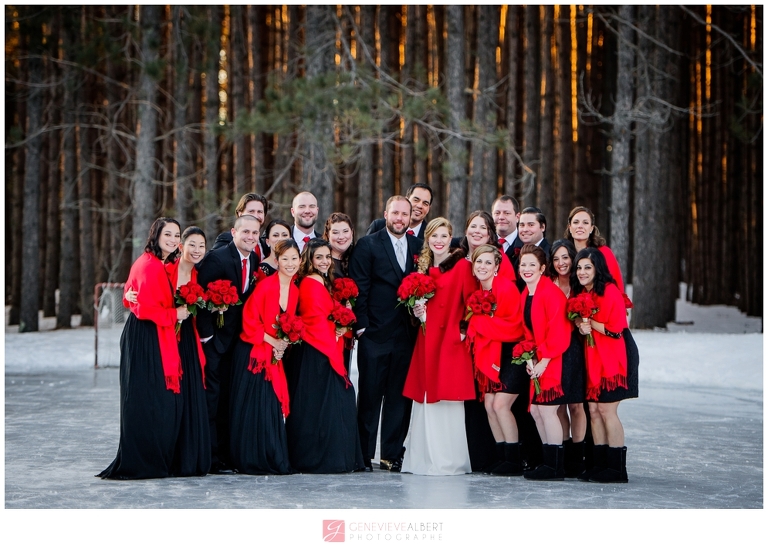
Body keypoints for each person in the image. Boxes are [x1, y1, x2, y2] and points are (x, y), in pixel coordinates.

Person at [98, 218, 187, 479]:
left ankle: (152, 457)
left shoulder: (157, 262)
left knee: (152, 399)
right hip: (147, 336)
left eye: (176, 235)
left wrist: (128, 295)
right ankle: (145, 460)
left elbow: (130, 290)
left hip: (149, 334)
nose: (172, 239)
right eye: (167, 234)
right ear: (156, 235)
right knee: (148, 400)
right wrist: (176, 313)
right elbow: (146, 308)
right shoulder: (150, 265)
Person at [349, 195, 423, 472]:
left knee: (398, 398)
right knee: (369, 396)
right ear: (386, 213)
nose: (400, 218)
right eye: (395, 213)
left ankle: (391, 455)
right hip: (375, 334)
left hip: (406, 335)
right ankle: (364, 454)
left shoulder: (418, 246)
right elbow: (360, 288)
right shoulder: (368, 245)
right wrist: (363, 326)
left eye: (405, 214)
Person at [401, 217, 476, 475]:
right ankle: (423, 459)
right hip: (426, 339)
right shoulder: (422, 267)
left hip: (450, 341)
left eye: (444, 236)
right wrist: (417, 310)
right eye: (434, 236)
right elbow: (417, 303)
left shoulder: (462, 267)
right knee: (425, 396)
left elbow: (473, 302)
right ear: (427, 239)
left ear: (451, 238)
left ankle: (447, 460)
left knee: (447, 396)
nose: (439, 241)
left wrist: (462, 331)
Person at [284, 239, 365, 473]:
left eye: (327, 257)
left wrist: (341, 324)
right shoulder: (311, 282)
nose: (324, 261)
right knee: (323, 404)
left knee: (325, 405)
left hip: (321, 346)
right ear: (309, 259)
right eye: (318, 257)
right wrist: (336, 331)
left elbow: (327, 316)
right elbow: (315, 321)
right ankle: (321, 458)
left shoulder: (322, 281)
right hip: (316, 351)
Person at [196, 214, 261, 474]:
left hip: (238, 343)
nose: (250, 237)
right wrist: (207, 336)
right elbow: (200, 296)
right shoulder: (218, 257)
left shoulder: (253, 258)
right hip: (215, 343)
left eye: (255, 233)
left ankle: (226, 454)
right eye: (245, 232)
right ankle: (211, 458)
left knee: (228, 400)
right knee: (212, 399)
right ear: (234, 232)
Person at [229, 239, 301, 475]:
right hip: (253, 352)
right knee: (257, 406)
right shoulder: (266, 286)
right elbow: (249, 323)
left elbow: (287, 325)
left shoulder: (295, 290)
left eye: (294, 259)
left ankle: (270, 455)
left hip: (273, 352)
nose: (290, 264)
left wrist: (283, 345)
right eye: (285, 259)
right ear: (277, 261)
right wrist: (274, 343)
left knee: (271, 407)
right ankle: (252, 459)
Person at [573, 247, 639, 483]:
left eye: (587, 267)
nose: (582, 271)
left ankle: (617, 469)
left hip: (614, 357)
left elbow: (616, 329)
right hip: (594, 357)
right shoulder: (583, 293)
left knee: (606, 410)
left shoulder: (610, 291)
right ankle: (599, 464)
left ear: (598, 268)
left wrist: (590, 322)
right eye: (579, 267)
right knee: (593, 410)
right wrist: (581, 323)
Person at [465, 244, 528, 476]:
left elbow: (514, 328)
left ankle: (514, 459)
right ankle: (502, 456)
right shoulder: (478, 294)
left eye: (488, 262)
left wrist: (478, 323)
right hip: (493, 353)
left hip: (513, 355)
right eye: (479, 261)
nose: (483, 266)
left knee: (501, 405)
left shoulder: (506, 288)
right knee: (490, 405)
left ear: (497, 267)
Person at [518, 244, 572, 480]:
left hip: (553, 359)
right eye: (523, 265)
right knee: (537, 412)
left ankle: (556, 466)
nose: (526, 269)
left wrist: (545, 361)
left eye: (532, 265)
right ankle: (548, 460)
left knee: (548, 411)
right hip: (536, 360)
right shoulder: (526, 293)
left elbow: (559, 332)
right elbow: (526, 330)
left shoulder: (552, 293)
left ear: (542, 268)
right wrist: (529, 357)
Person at [164, 226, 211, 476]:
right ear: (181, 246)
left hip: (188, 342)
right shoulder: (166, 270)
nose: (197, 250)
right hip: (166, 339)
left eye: (201, 245)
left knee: (191, 394)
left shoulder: (200, 275)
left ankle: (190, 457)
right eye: (192, 244)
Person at [548, 238, 589, 478]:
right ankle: (562, 454)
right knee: (560, 404)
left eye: (565, 257)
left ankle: (578, 455)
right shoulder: (547, 284)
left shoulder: (580, 284)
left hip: (576, 348)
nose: (561, 263)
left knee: (576, 404)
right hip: (555, 348)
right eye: (556, 258)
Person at [565, 206, 627, 295]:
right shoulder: (564, 255)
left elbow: (616, 285)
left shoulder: (604, 253)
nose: (580, 226)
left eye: (585, 223)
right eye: (576, 222)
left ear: (591, 228)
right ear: (570, 227)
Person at [459, 210, 515, 282]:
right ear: (466, 231)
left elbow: (509, 289)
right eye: (473, 226)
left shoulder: (500, 259)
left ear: (490, 234)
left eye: (483, 227)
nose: (477, 231)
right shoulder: (456, 259)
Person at [366, 184, 433, 239]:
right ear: (406, 200)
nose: (420, 206)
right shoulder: (378, 226)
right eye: (416, 200)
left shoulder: (431, 234)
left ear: (429, 208)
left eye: (425, 203)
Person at [212, 193, 268, 259]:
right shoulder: (227, 239)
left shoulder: (265, 245)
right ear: (240, 214)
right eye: (251, 211)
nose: (255, 216)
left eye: (259, 212)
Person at [492, 195, 523, 265]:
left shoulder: (526, 244)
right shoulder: (485, 241)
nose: (501, 217)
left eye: (507, 213)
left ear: (517, 217)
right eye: (497, 213)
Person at [323, 212, 356, 279]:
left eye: (345, 231)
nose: (341, 237)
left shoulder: (359, 257)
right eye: (335, 232)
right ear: (328, 235)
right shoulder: (322, 261)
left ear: (352, 232)